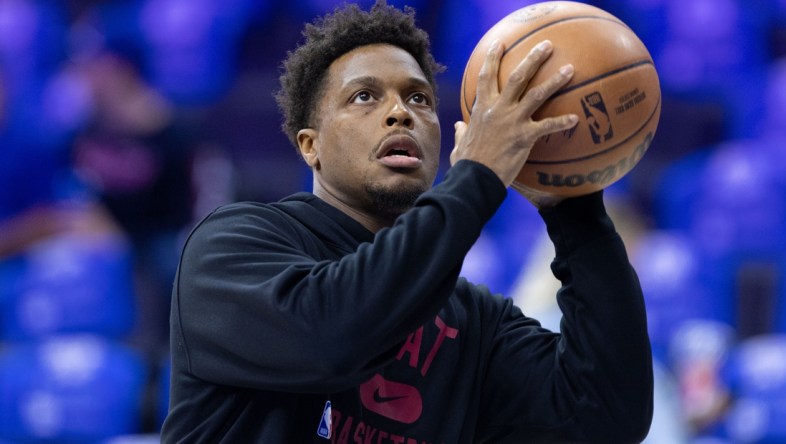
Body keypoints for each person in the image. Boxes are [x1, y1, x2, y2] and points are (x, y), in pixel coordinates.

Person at [161, 1, 654, 442]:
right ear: (310, 145)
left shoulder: (472, 322)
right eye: (364, 97)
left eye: (419, 98)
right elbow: (334, 337)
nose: (400, 112)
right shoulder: (231, 247)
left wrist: (574, 204)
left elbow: (605, 417)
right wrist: (478, 176)